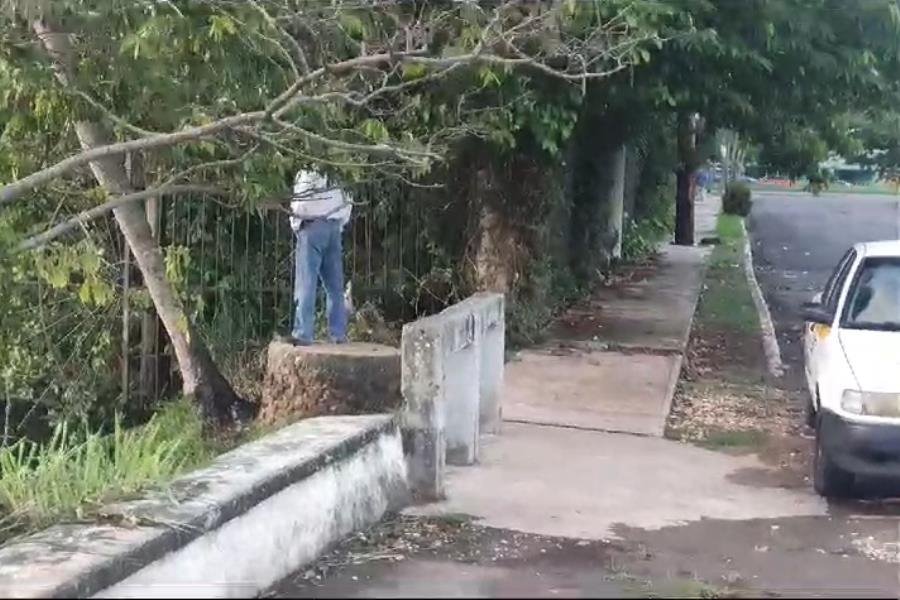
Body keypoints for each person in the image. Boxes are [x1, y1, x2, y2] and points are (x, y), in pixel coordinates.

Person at [282, 169, 352, 345]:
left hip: (311, 226)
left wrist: (296, 224)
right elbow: (348, 201)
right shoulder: (338, 169)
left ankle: (303, 332)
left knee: (307, 282)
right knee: (335, 285)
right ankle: (338, 333)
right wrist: (338, 224)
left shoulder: (307, 171)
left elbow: (300, 204)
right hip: (334, 226)